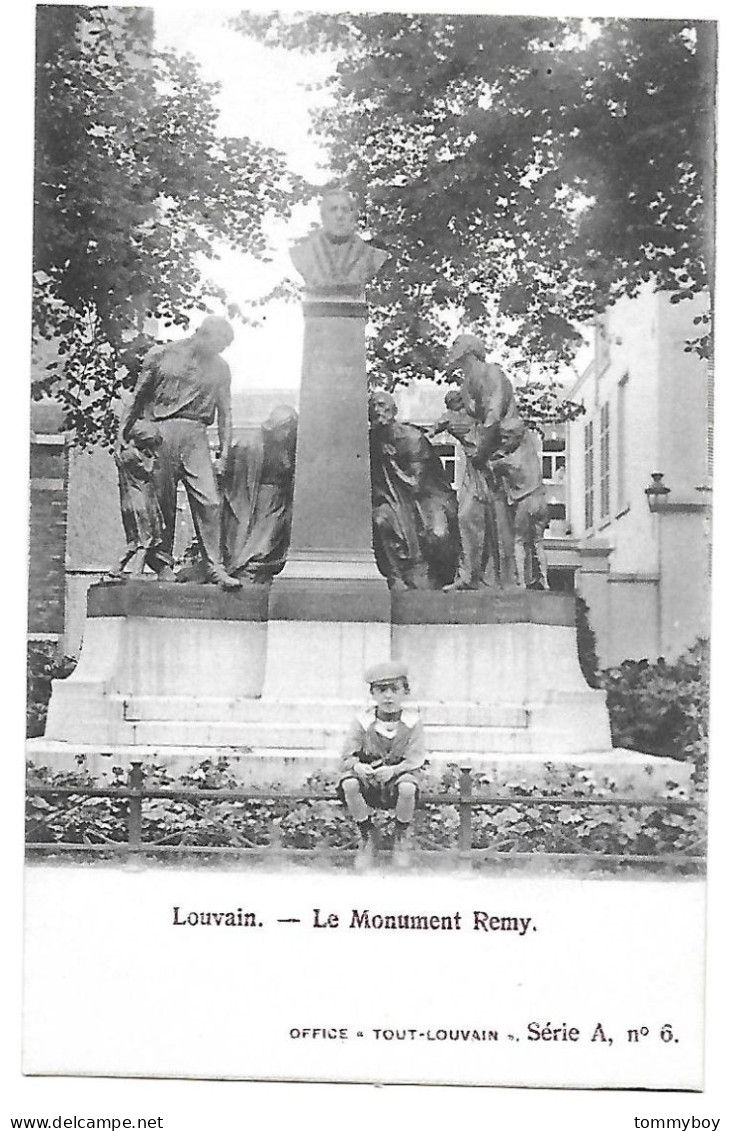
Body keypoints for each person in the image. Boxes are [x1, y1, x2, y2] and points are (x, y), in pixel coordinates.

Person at [117, 316, 241, 589]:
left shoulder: (221, 369)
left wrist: (224, 455)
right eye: (218, 344)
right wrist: (121, 438)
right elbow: (136, 400)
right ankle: (162, 564)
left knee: (210, 500)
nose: (220, 351)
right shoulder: (160, 355)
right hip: (162, 433)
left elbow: (226, 414)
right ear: (202, 334)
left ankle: (214, 565)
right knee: (163, 503)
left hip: (196, 434)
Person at [440, 335, 526, 587]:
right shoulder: (467, 384)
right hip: (479, 458)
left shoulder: (491, 374)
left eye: (455, 345)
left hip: (500, 457)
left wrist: (481, 450)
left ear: (468, 349)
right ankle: (469, 576)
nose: (451, 350)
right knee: (467, 515)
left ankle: (501, 581)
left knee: (498, 522)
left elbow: (493, 415)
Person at [337, 661, 426, 870]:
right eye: (381, 690)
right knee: (349, 784)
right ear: (373, 694)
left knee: (408, 787)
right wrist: (358, 767)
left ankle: (401, 837)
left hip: (397, 778)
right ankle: (367, 836)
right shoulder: (363, 721)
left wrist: (393, 770)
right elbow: (346, 757)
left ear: (405, 692)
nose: (388, 696)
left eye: (394, 690)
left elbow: (415, 759)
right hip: (369, 780)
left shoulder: (413, 722)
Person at [370, 390, 459, 590]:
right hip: (393, 498)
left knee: (438, 534)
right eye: (373, 406)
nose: (377, 410)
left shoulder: (412, 438)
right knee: (380, 519)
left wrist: (391, 461)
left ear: (394, 411)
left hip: (430, 497)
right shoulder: (370, 441)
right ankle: (395, 577)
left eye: (382, 405)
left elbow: (416, 484)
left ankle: (445, 579)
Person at [220, 406, 298, 583]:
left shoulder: (290, 447)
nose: (287, 434)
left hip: (278, 501)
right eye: (283, 428)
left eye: (290, 429)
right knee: (255, 536)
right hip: (256, 498)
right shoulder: (252, 444)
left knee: (270, 537)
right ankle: (244, 568)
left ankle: (254, 568)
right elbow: (234, 476)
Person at [289, 188, 388, 296]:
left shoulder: (371, 256)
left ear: (353, 217)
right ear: (323, 216)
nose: (339, 216)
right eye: (333, 209)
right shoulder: (304, 254)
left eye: (345, 210)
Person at [493, 429, 550, 589]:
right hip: (541, 500)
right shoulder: (530, 452)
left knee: (519, 541)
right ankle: (545, 580)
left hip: (526, 501)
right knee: (538, 542)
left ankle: (521, 582)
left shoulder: (509, 461)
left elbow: (491, 466)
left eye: (506, 438)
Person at [109, 420, 165, 579]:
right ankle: (137, 573)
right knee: (145, 540)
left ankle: (116, 567)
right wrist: (152, 459)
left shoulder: (121, 452)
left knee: (133, 540)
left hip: (128, 501)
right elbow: (148, 471)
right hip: (140, 501)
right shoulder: (133, 455)